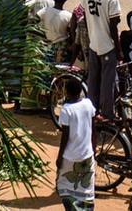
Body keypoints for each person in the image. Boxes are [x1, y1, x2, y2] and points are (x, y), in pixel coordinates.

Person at [82, 0, 122, 114]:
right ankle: (106, 115)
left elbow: (85, 16)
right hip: (107, 47)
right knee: (107, 83)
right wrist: (118, 51)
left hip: (93, 44)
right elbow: (113, 27)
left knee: (93, 81)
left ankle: (92, 112)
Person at [55, 75, 96, 211]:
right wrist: (93, 147)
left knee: (65, 187)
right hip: (87, 154)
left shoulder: (66, 110)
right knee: (86, 191)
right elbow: (93, 128)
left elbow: (65, 137)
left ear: (66, 92)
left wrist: (59, 157)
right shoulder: (88, 104)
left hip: (70, 157)